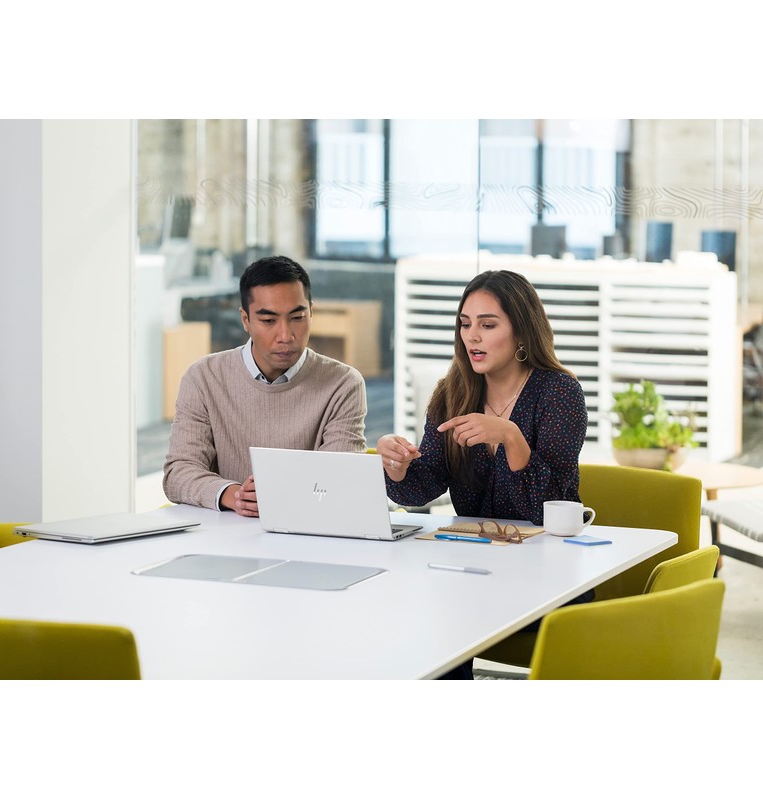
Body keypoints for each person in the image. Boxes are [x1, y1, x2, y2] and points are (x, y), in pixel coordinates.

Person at [377, 270, 589, 679]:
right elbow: (424, 485)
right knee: (412, 612)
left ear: (521, 331)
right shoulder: (452, 391)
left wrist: (511, 438)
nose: (471, 336)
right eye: (465, 324)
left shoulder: (559, 392)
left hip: (547, 578)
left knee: (439, 616)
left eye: (488, 325)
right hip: (471, 570)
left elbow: (549, 508)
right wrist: (397, 467)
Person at [163, 255, 367, 515]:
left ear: (311, 313)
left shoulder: (343, 384)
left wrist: (277, 494)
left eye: (297, 317)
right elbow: (178, 474)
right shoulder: (203, 378)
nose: (285, 336)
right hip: (225, 532)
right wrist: (234, 495)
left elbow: (340, 478)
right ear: (245, 320)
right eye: (268, 321)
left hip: (309, 527)